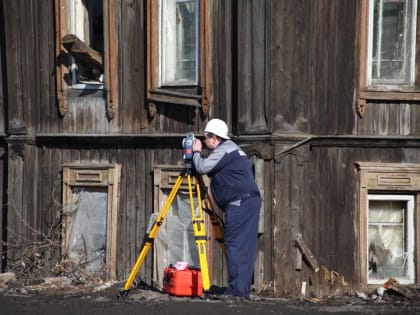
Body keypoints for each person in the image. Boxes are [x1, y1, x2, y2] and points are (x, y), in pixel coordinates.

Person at [192, 118, 261, 300]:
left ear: (215, 138)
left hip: (240, 203)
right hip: (248, 202)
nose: (205, 142)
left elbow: (201, 167)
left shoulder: (225, 150)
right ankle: (240, 290)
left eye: (206, 139)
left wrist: (196, 152)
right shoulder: (234, 150)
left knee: (235, 245)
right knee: (244, 247)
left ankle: (237, 292)